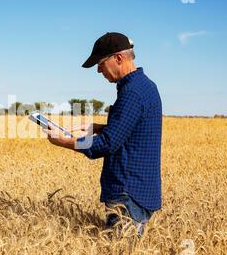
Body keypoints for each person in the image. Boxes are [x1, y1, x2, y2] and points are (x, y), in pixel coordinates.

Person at [43, 32, 162, 237]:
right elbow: (131, 132)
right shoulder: (144, 86)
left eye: (100, 63)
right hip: (138, 190)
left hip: (128, 192)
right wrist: (99, 127)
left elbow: (107, 144)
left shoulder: (132, 92)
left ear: (118, 58)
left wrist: (64, 141)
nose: (98, 70)